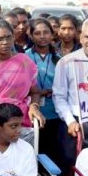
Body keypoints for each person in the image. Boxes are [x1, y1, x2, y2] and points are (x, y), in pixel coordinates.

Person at [53, 17, 88, 173]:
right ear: (80, 37)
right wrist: (70, 121)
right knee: (72, 168)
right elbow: (59, 96)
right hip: (75, 124)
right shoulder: (66, 62)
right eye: (87, 37)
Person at [0, 19, 45, 144]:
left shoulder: (24, 61)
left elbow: (35, 92)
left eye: (8, 37)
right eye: (0, 39)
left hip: (19, 121)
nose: (5, 42)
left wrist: (34, 107)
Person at [25, 19, 61, 160]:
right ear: (31, 36)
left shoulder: (59, 59)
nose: (42, 36)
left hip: (54, 113)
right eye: (37, 33)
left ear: (52, 34)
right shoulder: (24, 57)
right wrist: (41, 92)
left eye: (46, 32)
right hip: (30, 112)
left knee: (51, 153)